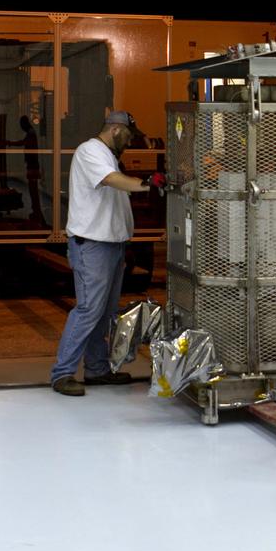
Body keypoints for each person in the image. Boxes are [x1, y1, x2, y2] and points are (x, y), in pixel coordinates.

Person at [51, 111, 163, 397]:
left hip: (111, 246)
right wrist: (147, 183)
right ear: (115, 130)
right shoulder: (91, 151)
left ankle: (97, 369)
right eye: (128, 136)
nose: (129, 142)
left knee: (104, 313)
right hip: (93, 246)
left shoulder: (108, 155)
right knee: (89, 309)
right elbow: (112, 180)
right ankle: (62, 373)